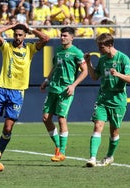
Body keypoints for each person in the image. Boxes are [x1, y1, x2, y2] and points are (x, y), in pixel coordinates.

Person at [0, 23, 50, 157]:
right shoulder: (6, 47)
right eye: (16, 34)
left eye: (20, 35)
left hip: (17, 93)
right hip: (2, 90)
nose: (17, 37)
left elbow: (46, 38)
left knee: (8, 128)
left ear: (25, 36)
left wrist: (30, 28)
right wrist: (12, 25)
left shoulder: (30, 49)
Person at [84, 33, 130, 167]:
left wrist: (118, 74)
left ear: (110, 45)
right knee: (98, 125)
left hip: (118, 100)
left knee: (114, 130)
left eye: (101, 47)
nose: (99, 49)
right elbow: (94, 77)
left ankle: (110, 156)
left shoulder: (123, 58)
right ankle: (92, 158)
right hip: (103, 98)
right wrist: (88, 63)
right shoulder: (103, 59)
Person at [40, 26, 88, 162]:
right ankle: (58, 146)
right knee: (45, 118)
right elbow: (54, 67)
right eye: (61, 35)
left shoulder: (77, 52)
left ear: (72, 37)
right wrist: (46, 80)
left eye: (65, 35)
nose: (62, 37)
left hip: (65, 90)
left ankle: (62, 151)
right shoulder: (59, 51)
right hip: (53, 88)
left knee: (61, 118)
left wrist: (73, 85)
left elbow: (84, 71)